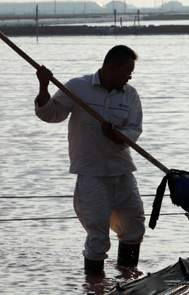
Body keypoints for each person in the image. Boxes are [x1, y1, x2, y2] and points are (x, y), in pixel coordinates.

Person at [34, 45, 145, 273]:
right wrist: (44, 85)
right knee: (98, 238)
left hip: (123, 172)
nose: (130, 77)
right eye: (128, 71)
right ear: (113, 67)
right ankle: (95, 285)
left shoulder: (130, 94)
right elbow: (50, 113)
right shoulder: (77, 87)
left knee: (134, 228)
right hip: (92, 176)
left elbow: (134, 129)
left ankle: (127, 279)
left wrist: (117, 136)